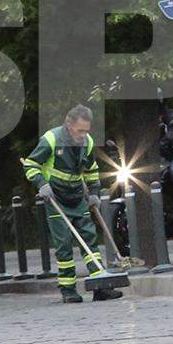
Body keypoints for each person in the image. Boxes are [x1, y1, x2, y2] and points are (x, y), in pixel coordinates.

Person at [21, 105, 123, 304]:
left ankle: (100, 286)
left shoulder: (88, 142)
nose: (83, 135)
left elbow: (91, 169)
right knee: (64, 245)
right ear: (69, 126)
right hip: (56, 198)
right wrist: (42, 184)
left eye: (86, 130)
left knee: (90, 240)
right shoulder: (51, 139)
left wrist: (93, 193)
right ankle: (68, 290)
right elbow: (31, 165)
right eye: (80, 130)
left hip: (77, 197)